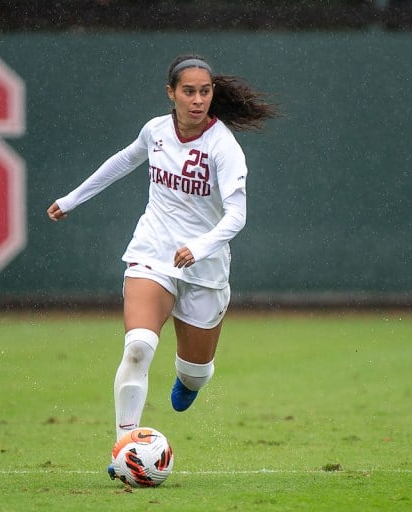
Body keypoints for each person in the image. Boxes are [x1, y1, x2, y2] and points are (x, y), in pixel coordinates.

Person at [47, 53, 278, 479]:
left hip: (204, 267)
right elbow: (122, 161)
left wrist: (201, 246)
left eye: (204, 91)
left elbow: (236, 216)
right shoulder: (155, 131)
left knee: (196, 372)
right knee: (138, 348)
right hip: (153, 252)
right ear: (170, 93)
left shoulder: (223, 145)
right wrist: (71, 199)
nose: (197, 100)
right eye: (188, 91)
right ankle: (124, 448)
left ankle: (189, 380)